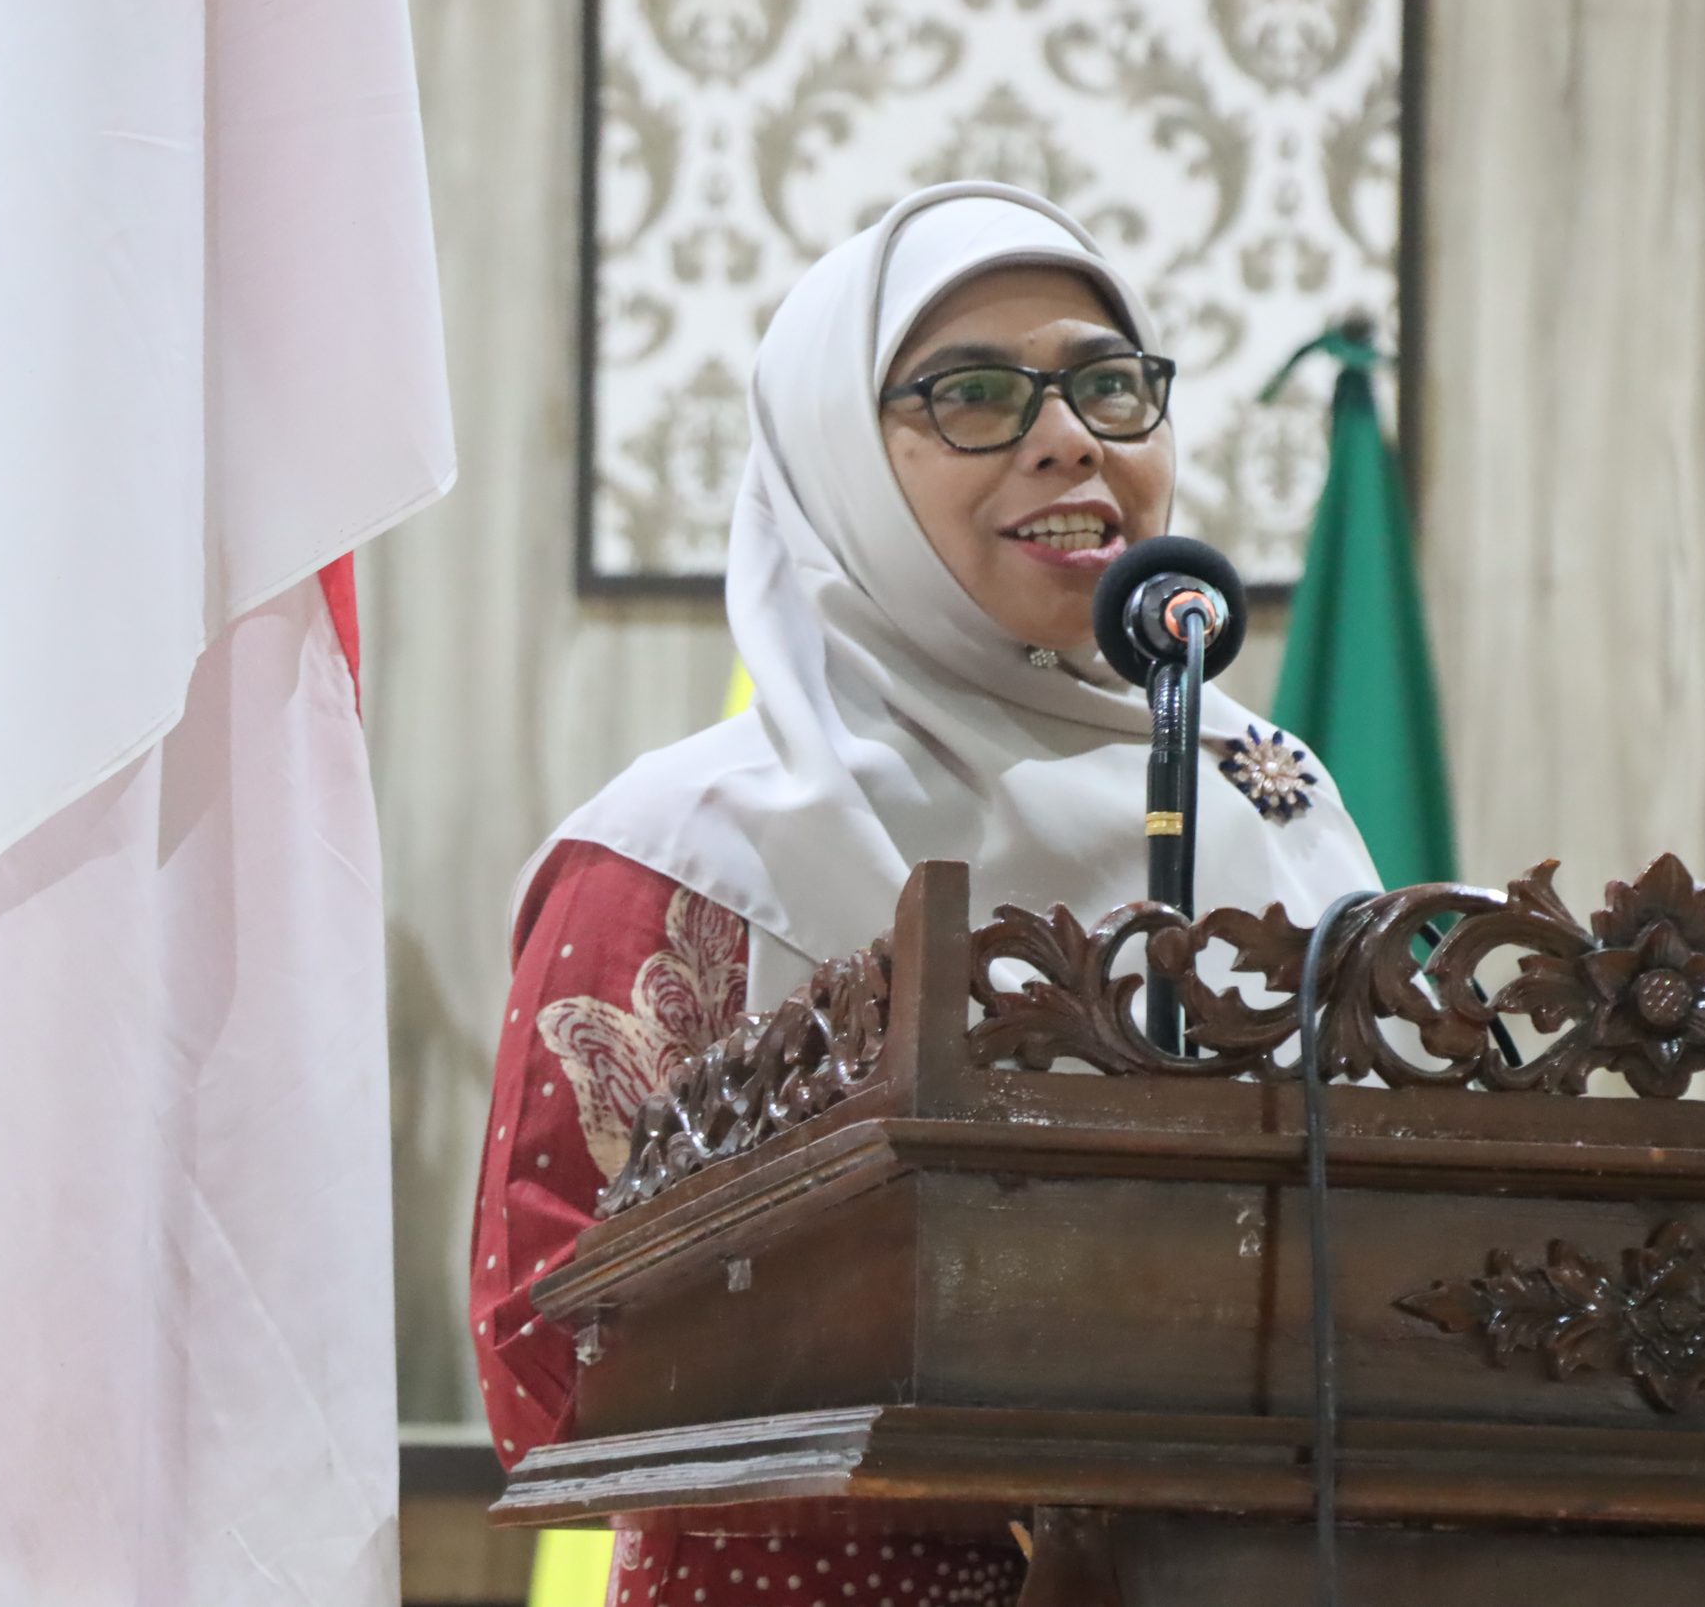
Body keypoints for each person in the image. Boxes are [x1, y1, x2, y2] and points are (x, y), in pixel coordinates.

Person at [469, 181, 1381, 1607]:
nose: (1068, 437)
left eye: (1108, 384)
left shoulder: (1264, 792)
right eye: (974, 395)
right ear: (839, 450)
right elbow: (547, 1363)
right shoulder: (684, 854)